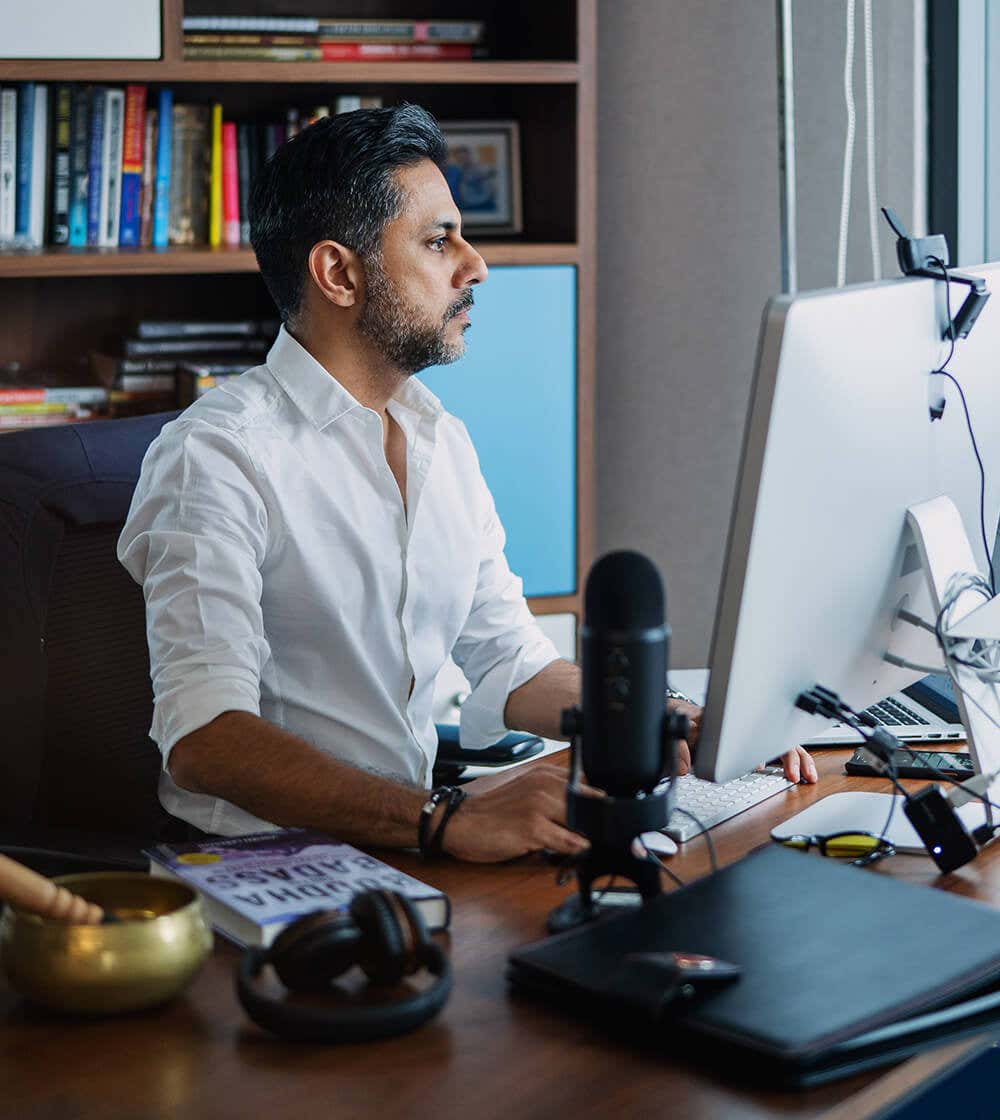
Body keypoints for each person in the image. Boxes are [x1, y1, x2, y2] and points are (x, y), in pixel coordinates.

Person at [118, 105, 816, 865]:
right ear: (339, 274)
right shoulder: (216, 456)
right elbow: (206, 740)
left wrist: (673, 720)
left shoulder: (438, 438)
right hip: (268, 872)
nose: (476, 264)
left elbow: (513, 662)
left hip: (410, 846)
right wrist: (441, 819)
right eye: (438, 239)